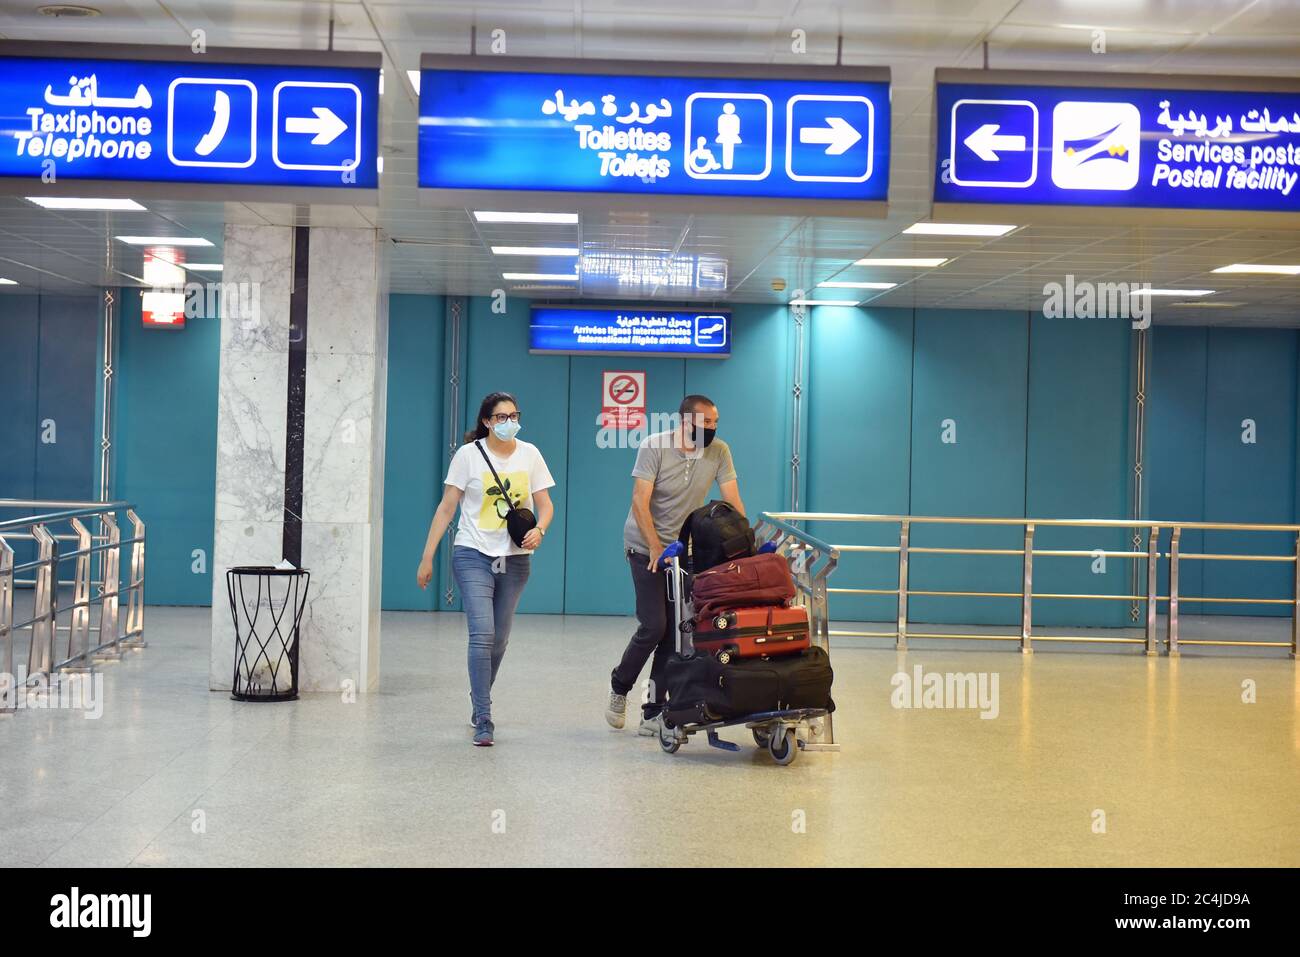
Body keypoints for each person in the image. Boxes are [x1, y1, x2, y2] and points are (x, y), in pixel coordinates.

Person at [417, 392, 555, 747]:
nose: (510, 421)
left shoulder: (531, 454)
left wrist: (540, 529)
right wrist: (427, 556)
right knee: (482, 634)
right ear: (487, 421)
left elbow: (546, 505)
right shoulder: (468, 456)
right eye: (502, 416)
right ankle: (484, 715)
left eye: (514, 415)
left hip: (515, 560)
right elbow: (447, 508)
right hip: (472, 553)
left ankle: (478, 697)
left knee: (500, 638)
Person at [605, 394, 745, 735]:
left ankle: (652, 710)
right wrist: (654, 546)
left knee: (676, 633)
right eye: (706, 422)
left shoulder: (719, 451)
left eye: (715, 423)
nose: (711, 429)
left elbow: (732, 498)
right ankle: (620, 687)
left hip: (684, 550)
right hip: (644, 546)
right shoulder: (654, 446)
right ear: (685, 421)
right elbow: (639, 500)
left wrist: (746, 542)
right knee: (654, 626)